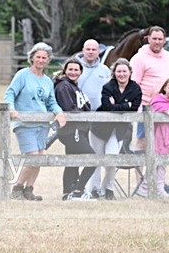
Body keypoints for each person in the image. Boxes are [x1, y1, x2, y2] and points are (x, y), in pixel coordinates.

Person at [3, 42, 66, 201]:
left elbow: (51, 102)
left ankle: (29, 190)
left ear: (48, 60)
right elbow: (10, 93)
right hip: (24, 124)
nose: (41, 60)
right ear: (31, 58)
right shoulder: (22, 75)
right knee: (32, 157)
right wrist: (11, 108)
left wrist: (58, 112)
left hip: (42, 124)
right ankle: (17, 189)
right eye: (38, 57)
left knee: (39, 158)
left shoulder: (47, 81)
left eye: (44, 57)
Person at [92, 58, 142, 199]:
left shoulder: (135, 88)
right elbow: (107, 107)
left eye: (124, 71)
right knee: (96, 160)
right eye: (118, 71)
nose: (121, 74)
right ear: (114, 73)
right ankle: (93, 190)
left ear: (130, 72)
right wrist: (125, 105)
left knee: (112, 159)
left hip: (119, 129)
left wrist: (118, 106)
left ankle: (108, 189)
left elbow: (134, 109)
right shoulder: (108, 87)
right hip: (100, 128)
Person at [130, 25, 169, 150]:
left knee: (163, 142)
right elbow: (133, 84)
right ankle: (140, 170)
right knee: (143, 141)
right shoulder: (139, 58)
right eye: (154, 38)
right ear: (148, 39)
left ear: (164, 40)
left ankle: (158, 170)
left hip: (166, 106)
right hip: (147, 106)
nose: (157, 42)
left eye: (160, 39)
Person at [54, 58, 97, 200]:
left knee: (72, 161)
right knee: (93, 159)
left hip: (79, 130)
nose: (73, 72)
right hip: (71, 130)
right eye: (70, 69)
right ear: (65, 70)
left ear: (81, 72)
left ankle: (67, 193)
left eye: (76, 69)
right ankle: (79, 190)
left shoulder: (74, 87)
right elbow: (69, 109)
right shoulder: (63, 86)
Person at [76, 38, 111, 196]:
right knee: (79, 154)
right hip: (79, 116)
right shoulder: (75, 68)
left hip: (99, 118)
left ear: (99, 52)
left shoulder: (104, 70)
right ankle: (76, 187)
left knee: (96, 153)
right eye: (88, 49)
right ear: (83, 50)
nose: (90, 52)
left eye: (94, 50)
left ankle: (95, 188)